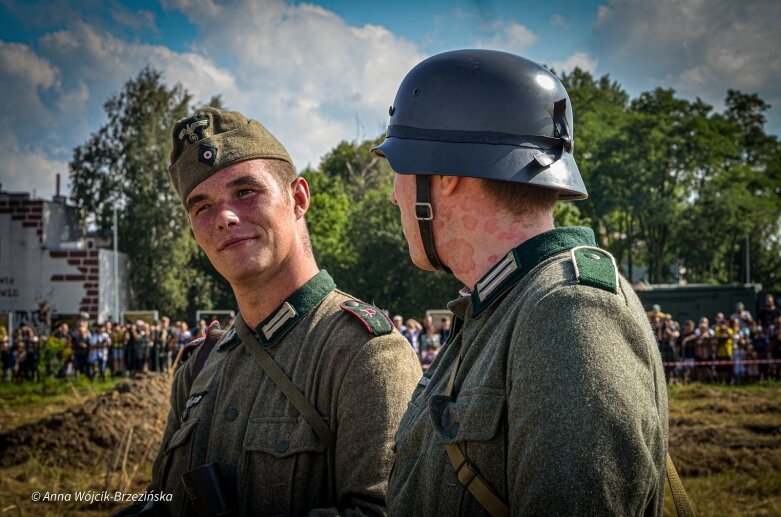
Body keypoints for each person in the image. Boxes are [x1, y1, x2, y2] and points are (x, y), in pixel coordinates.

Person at [372, 49, 669, 515]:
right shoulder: (503, 307)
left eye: (402, 167)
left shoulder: (570, 313)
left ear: (446, 173)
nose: (394, 194)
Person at [120, 107, 420, 516]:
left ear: (298, 198)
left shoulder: (363, 353)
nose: (224, 217)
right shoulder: (200, 363)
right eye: (201, 206)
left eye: (245, 192)